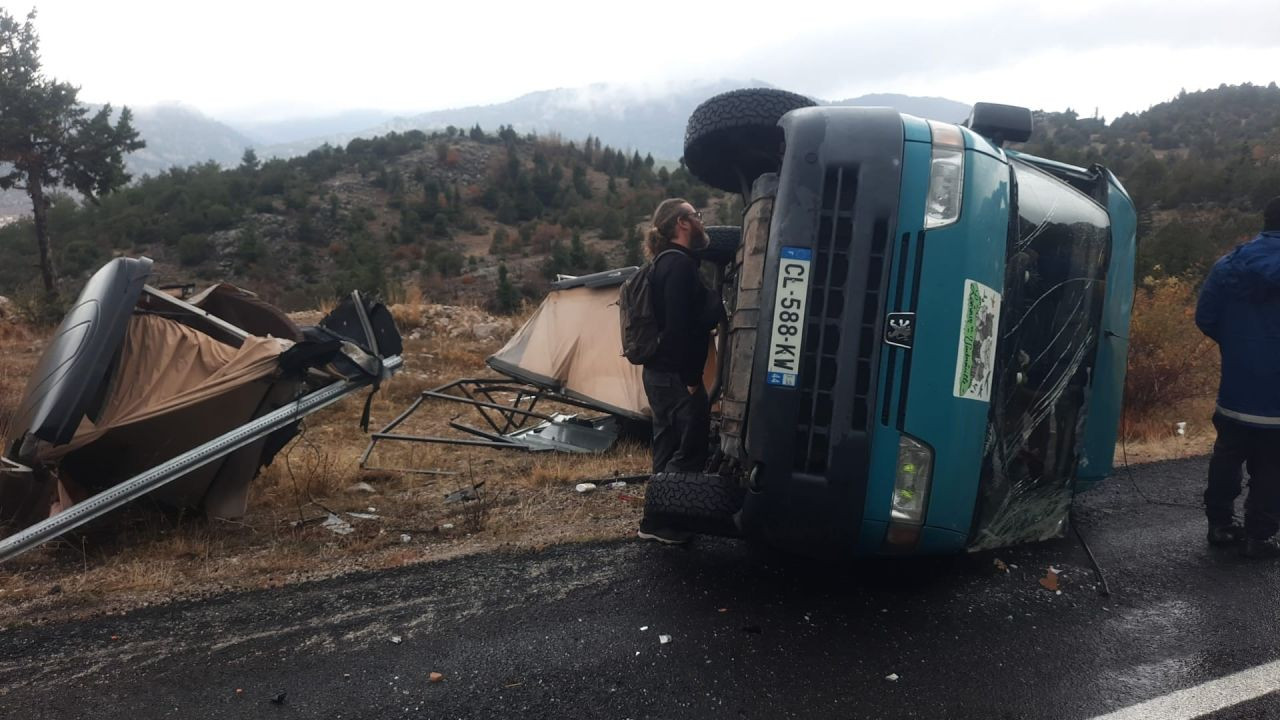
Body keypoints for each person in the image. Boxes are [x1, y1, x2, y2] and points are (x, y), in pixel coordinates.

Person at [1195, 196, 1280, 558]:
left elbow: (1206, 317)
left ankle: (1220, 526)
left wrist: (1239, 346)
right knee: (1274, 465)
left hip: (1236, 389)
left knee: (1227, 456)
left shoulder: (1227, 265)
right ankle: (1261, 535)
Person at [637, 198, 722, 544]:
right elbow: (678, 329)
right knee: (691, 445)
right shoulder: (679, 267)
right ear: (683, 224)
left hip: (660, 371)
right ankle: (666, 517)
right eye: (696, 216)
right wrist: (690, 380)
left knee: (668, 443)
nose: (701, 221)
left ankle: (656, 521)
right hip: (676, 374)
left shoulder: (668, 263)